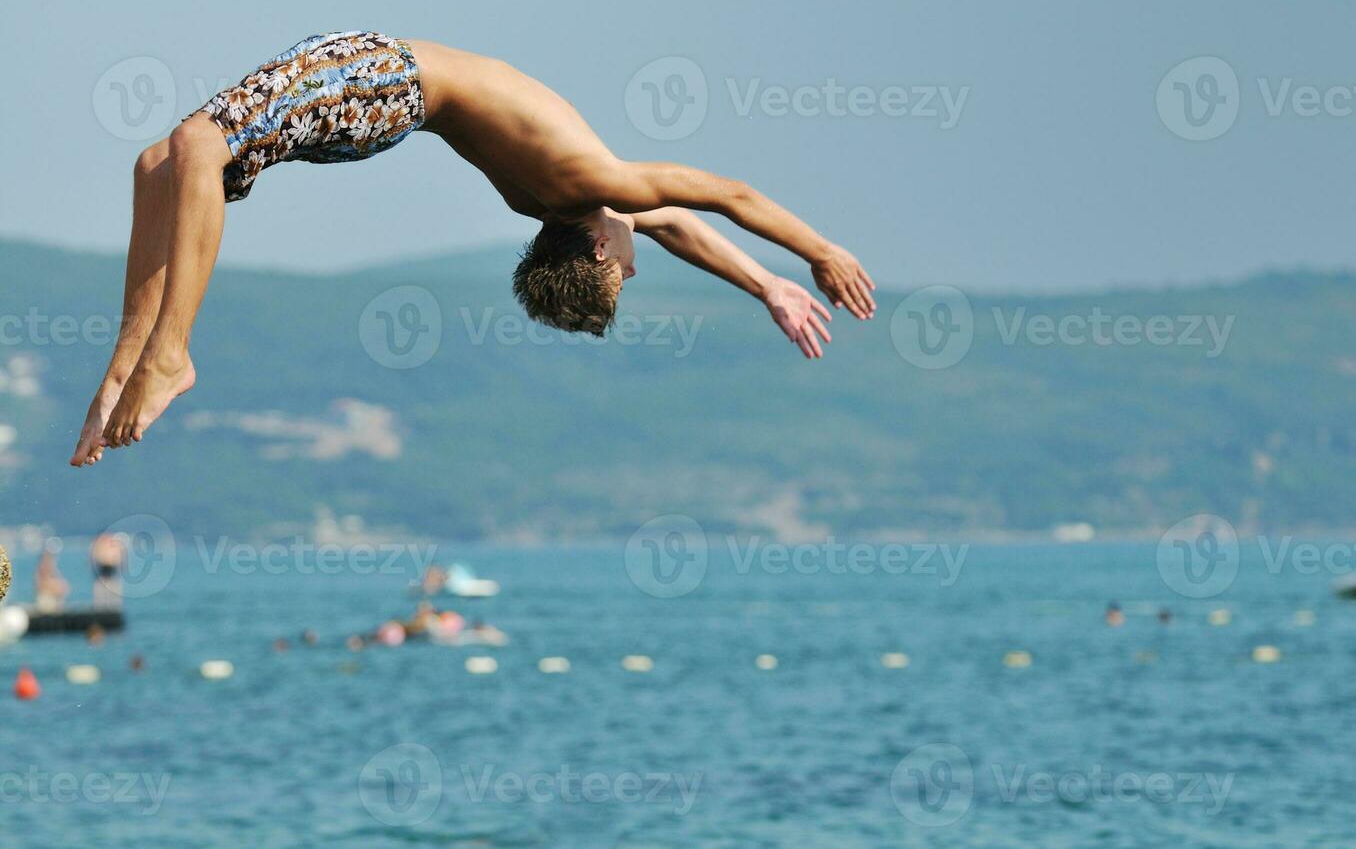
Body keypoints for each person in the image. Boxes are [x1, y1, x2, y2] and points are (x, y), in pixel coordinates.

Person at [70, 32, 875, 465]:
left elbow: (713, 202)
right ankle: (122, 374)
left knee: (194, 148)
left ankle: (171, 353)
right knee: (162, 165)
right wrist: (773, 278)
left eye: (628, 278)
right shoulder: (569, 193)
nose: (637, 262)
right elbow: (690, 216)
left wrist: (813, 253)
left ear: (594, 250)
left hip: (389, 84)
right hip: (386, 96)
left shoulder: (586, 181)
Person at [34, 543, 70, 612]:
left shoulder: (50, 567)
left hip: (53, 599)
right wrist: (58, 588)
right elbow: (41, 585)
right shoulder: (43, 567)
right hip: (47, 600)